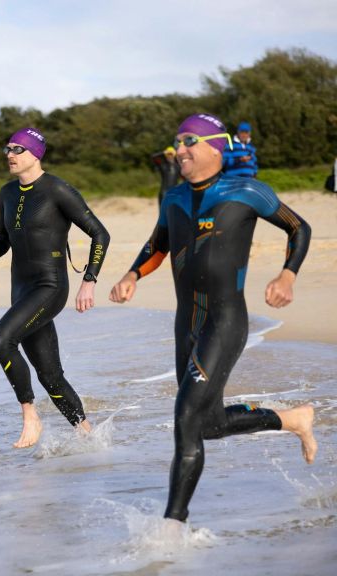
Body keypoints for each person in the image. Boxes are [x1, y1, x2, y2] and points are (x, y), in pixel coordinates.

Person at [109, 113, 318, 523]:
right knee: (210, 424)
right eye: (177, 142)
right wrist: (132, 274)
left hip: (225, 320)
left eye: (189, 141)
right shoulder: (173, 198)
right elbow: (158, 244)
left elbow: (299, 227)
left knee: (185, 416)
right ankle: (290, 419)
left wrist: (287, 274)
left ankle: (172, 527)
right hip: (185, 325)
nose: (180, 149)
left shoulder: (246, 189)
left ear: (215, 146)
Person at [0, 128, 110, 448]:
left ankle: (30, 415)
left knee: (1, 340)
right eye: (7, 148)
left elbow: (100, 234)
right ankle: (90, 438)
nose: (10, 154)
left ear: (35, 153)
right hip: (20, 289)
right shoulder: (6, 192)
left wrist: (89, 281)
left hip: (50, 286)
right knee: (50, 375)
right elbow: (3, 238)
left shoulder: (58, 189)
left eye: (17, 149)